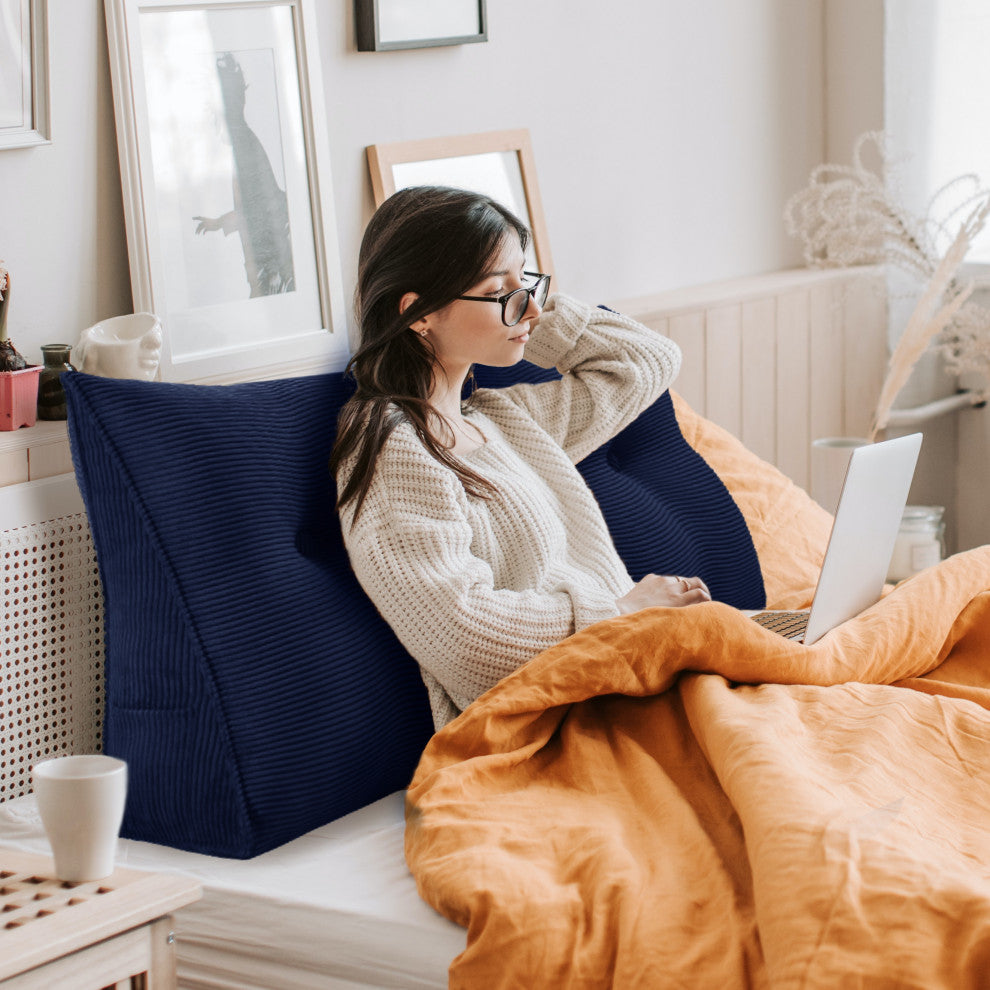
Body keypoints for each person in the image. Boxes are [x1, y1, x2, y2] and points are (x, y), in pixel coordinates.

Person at [331, 186, 711, 730]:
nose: (530, 307)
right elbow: (462, 636)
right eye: (498, 292)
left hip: (629, 678)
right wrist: (622, 613)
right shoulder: (395, 448)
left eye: (527, 282)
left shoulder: (504, 420)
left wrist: (523, 307)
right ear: (418, 312)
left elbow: (645, 360)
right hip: (553, 722)